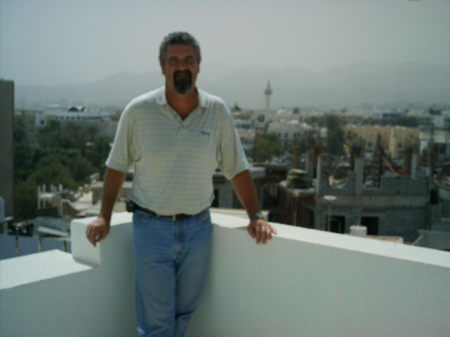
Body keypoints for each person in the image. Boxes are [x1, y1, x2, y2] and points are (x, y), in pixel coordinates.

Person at [85, 31, 277, 337]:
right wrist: (103, 217)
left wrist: (255, 216)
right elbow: (116, 166)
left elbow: (236, 168)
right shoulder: (138, 111)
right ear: (162, 67)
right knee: (156, 325)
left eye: (188, 59)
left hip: (198, 230)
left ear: (199, 66)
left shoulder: (216, 111)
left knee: (183, 317)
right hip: (152, 230)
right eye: (174, 60)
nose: (181, 66)